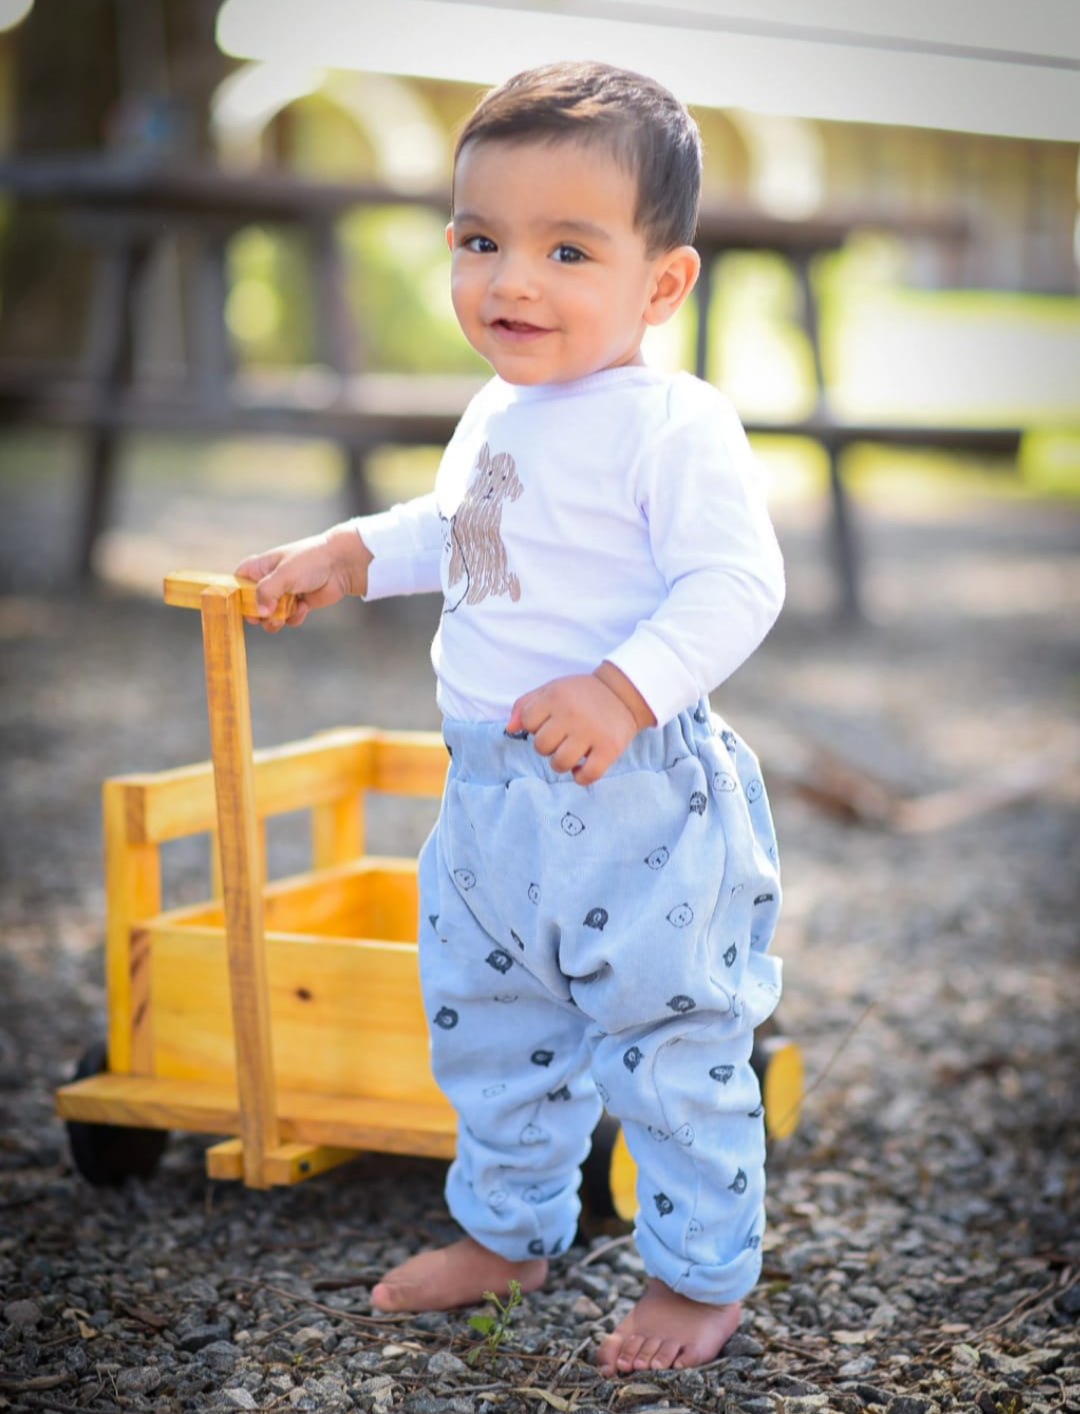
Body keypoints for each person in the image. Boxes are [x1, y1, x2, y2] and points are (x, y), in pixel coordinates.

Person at [236, 60, 785, 1375]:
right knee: (491, 1027)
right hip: (487, 793)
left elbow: (739, 583)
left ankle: (699, 1274)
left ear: (663, 283)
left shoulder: (673, 423)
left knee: (668, 1039)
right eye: (481, 242)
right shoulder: (501, 409)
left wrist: (623, 688)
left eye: (567, 250)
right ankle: (510, 1230)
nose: (512, 282)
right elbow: (461, 530)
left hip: (631, 793)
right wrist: (353, 552)